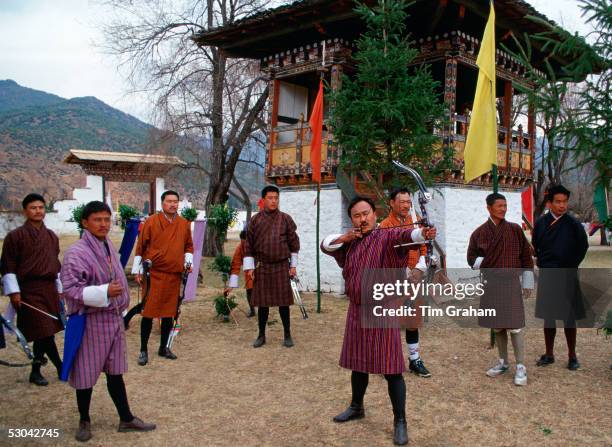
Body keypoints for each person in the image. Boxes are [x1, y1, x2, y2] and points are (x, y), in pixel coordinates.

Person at [321, 196, 437, 446]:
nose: (362, 219)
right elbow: (325, 245)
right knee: (358, 363)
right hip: (357, 308)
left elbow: (407, 237)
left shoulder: (387, 237)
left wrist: (423, 233)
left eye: (366, 213)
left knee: (392, 369)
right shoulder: (349, 243)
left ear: (375, 214)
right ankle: (356, 406)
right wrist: (346, 237)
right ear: (351, 219)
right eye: (356, 215)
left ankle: (400, 421)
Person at [61, 201, 155, 442]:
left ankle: (126, 417)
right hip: (91, 321)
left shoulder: (108, 247)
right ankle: (84, 419)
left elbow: (118, 281)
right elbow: (71, 289)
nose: (103, 224)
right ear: (85, 222)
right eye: (97, 219)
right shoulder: (76, 253)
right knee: (85, 372)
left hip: (113, 320)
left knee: (115, 372)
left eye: (106, 219)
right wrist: (104, 293)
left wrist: (122, 310)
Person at [467, 193, 534, 386]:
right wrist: (489, 264)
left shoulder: (514, 230)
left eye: (505, 205)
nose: (503, 209)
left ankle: (521, 366)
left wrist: (527, 280)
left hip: (511, 283)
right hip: (491, 284)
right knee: (497, 325)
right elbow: (471, 259)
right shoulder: (479, 233)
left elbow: (526, 256)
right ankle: (503, 362)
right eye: (499, 206)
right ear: (489, 208)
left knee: (515, 325)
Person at [0, 193, 64, 385]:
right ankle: (61, 367)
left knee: (43, 333)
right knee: (43, 331)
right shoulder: (15, 237)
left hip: (48, 289)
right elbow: (7, 266)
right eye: (33, 208)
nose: (38, 211)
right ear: (25, 211)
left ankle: (36, 371)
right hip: (28, 291)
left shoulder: (51, 236)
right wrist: (14, 292)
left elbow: (55, 265)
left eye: (41, 207)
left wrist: (59, 289)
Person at [131, 190, 193, 365]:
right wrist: (138, 270)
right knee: (148, 313)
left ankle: (163, 347)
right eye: (169, 201)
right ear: (162, 203)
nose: (173, 204)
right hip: (154, 275)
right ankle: (143, 349)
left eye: (175, 201)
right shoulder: (151, 222)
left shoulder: (184, 224)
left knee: (169, 313)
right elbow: (141, 247)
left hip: (174, 275)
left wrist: (188, 262)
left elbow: (189, 246)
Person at [533, 184, 589, 371]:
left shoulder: (574, 225)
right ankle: (549, 353)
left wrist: (571, 265)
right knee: (549, 317)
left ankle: (572, 356)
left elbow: (583, 247)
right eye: (558, 202)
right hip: (548, 274)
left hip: (567, 274)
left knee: (568, 317)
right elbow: (537, 245)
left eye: (565, 202)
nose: (562, 206)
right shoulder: (541, 223)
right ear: (549, 203)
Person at [380, 188, 431, 378]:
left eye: (408, 201)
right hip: (394, 278)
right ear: (391, 203)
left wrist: (420, 268)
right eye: (401, 201)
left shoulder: (415, 219)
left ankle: (414, 359)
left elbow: (424, 247)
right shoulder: (384, 225)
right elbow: (385, 256)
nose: (406, 205)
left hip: (415, 276)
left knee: (412, 321)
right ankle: (386, 360)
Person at [244, 185, 300, 348]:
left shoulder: (286, 219)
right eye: (270, 198)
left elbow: (294, 244)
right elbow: (249, 246)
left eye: (276, 198)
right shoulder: (255, 220)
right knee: (263, 304)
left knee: (284, 303)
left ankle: (287, 334)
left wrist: (293, 266)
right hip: (262, 266)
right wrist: (249, 269)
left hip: (282, 266)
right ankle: (261, 335)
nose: (274, 201)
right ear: (263, 200)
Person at [225, 229, 255, 317]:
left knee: (261, 291)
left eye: (246, 242)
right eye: (243, 242)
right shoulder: (239, 248)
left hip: (260, 270)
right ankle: (252, 310)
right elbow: (235, 265)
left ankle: (263, 310)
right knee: (249, 290)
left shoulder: (257, 244)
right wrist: (231, 285)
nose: (244, 245)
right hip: (248, 273)